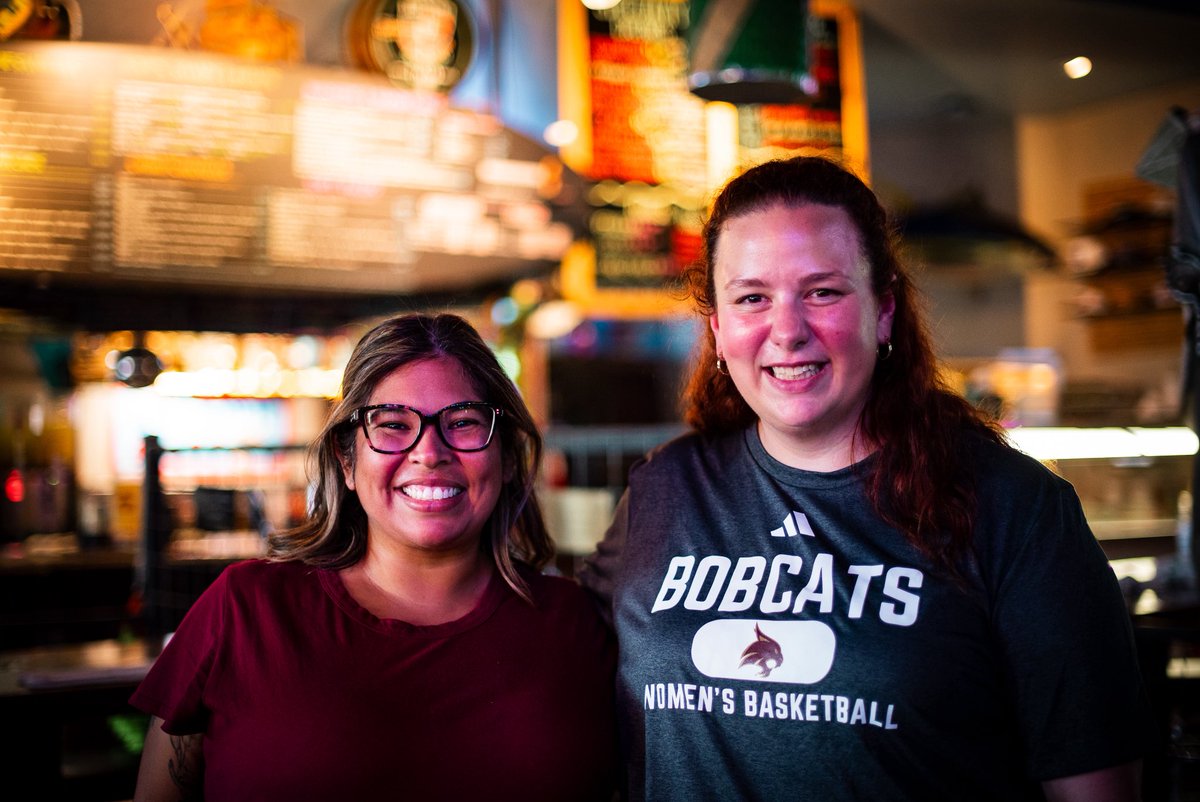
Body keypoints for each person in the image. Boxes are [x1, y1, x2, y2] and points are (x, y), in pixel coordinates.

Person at [579, 156, 1151, 801]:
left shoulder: (1014, 507)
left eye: (822, 292)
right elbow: (548, 657)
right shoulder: (665, 490)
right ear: (717, 327)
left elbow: (1094, 788)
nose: (787, 331)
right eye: (751, 298)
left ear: (883, 311)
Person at [130, 313, 617, 802]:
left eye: (464, 422)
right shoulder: (245, 610)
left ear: (508, 457)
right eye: (392, 425)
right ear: (347, 460)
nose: (429, 452)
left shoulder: (576, 624)